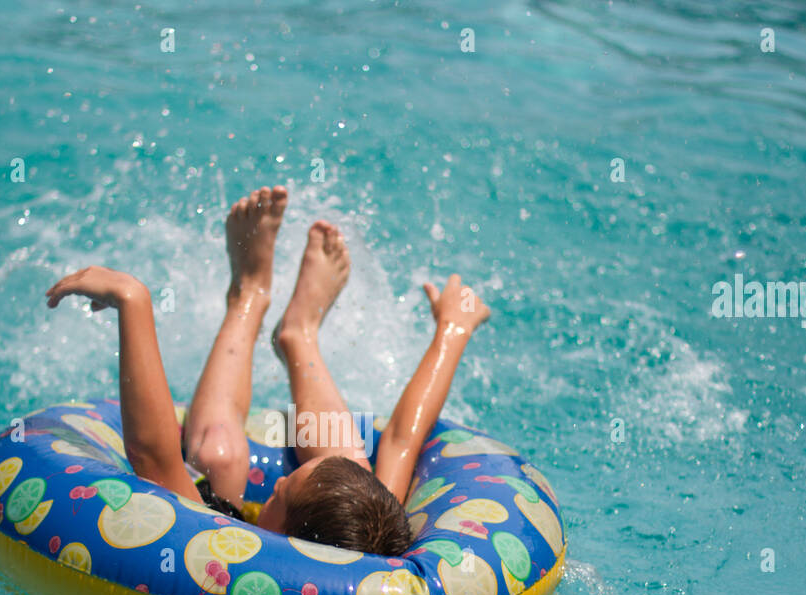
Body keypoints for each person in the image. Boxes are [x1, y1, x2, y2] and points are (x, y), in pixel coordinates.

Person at [45, 186, 490, 556]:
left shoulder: (218, 545)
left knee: (220, 455)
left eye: (279, 494)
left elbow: (152, 454)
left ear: (287, 538)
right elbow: (401, 438)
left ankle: (249, 294)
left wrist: (132, 297)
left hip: (228, 522)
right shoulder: (379, 546)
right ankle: (298, 333)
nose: (273, 484)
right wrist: (453, 329)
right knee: (353, 472)